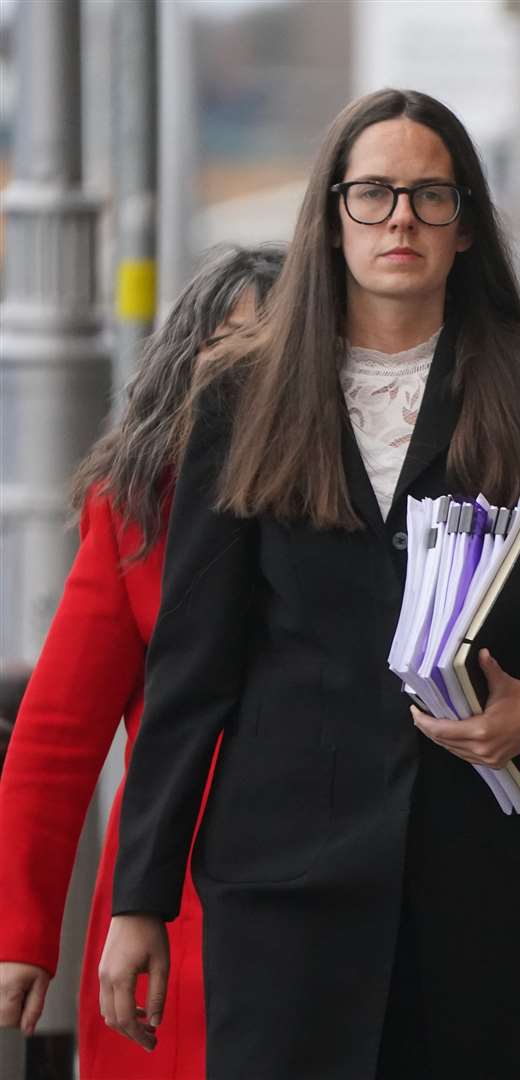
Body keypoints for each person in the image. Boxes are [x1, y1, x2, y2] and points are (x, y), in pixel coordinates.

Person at [98, 89, 520, 1079]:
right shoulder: (240, 390)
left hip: (480, 873)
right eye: (373, 194)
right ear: (330, 217)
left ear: (467, 225)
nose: (400, 217)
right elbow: (193, 665)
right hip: (284, 883)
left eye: (430, 195)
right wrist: (138, 902)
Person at [0, 245, 284, 1080]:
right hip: (169, 898)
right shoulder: (136, 510)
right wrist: (22, 935)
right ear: (186, 363)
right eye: (233, 348)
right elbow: (54, 741)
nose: (255, 375)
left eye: (280, 350)